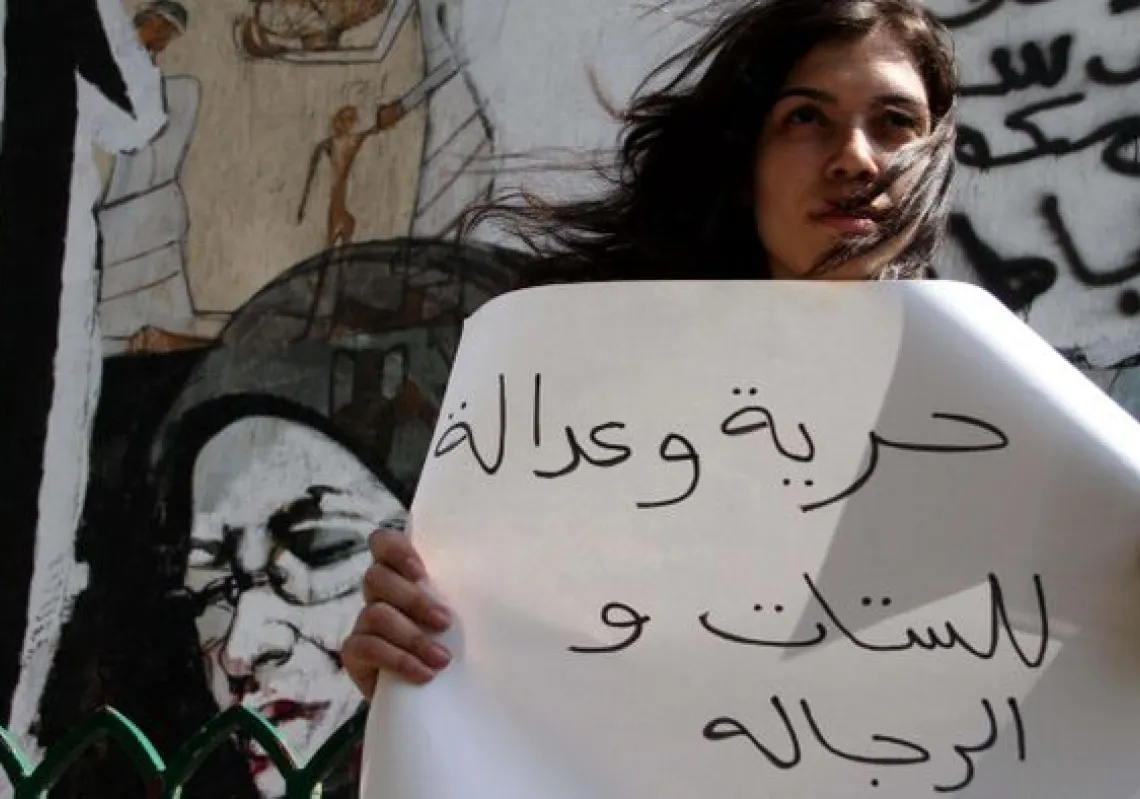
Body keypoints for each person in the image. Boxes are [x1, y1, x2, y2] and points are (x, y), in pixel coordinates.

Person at [342, 0, 960, 697]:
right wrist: (416, 682)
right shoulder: (570, 421)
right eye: (806, 117)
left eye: (895, 121)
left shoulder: (1007, 419)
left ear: (934, 159)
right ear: (744, 161)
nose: (855, 158)